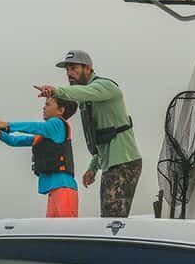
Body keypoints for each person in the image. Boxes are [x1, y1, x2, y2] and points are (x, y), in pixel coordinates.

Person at [35, 50, 142, 217]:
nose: (69, 73)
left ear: (88, 68)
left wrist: (56, 91)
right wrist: (93, 167)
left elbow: (84, 92)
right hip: (111, 163)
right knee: (109, 217)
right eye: (67, 70)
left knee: (112, 219)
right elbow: (101, 137)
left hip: (124, 161)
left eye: (74, 68)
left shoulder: (105, 87)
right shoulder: (86, 99)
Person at [0, 95, 80, 218]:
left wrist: (7, 125)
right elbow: (14, 141)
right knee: (54, 229)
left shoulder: (57, 123)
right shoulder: (45, 135)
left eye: (48, 104)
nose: (44, 108)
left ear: (61, 110)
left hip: (64, 187)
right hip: (55, 190)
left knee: (67, 228)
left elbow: (35, 127)